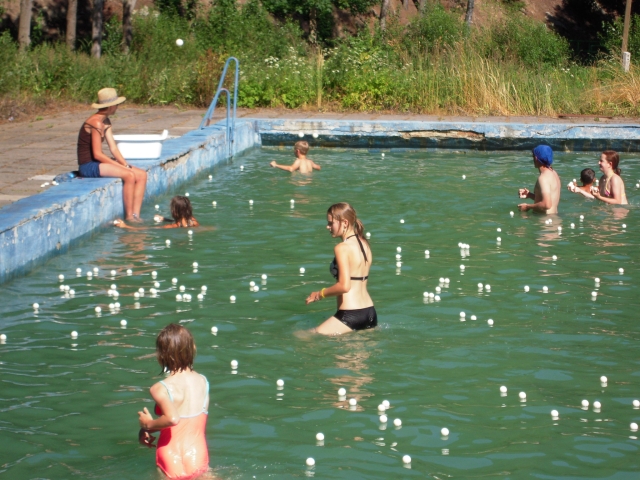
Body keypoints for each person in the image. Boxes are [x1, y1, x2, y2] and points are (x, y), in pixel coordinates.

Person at [137, 324, 210, 479]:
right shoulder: (203, 382)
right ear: (193, 348)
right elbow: (188, 422)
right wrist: (148, 429)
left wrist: (147, 425)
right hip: (197, 454)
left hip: (171, 457)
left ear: (162, 355)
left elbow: (173, 419)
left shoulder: (160, 388)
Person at [77, 88, 148, 222]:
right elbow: (97, 154)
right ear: (110, 106)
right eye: (117, 104)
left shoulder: (106, 121)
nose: (118, 107)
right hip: (89, 165)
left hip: (98, 163)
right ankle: (129, 217)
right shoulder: (96, 122)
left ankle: (136, 215)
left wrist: (124, 164)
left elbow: (113, 148)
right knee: (129, 175)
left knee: (142, 175)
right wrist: (123, 168)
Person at [305, 203, 376, 335]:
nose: (328, 227)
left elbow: (344, 286)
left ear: (344, 223)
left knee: (303, 336)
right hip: (370, 313)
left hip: (350, 314)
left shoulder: (342, 248)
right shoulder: (364, 243)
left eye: (331, 223)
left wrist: (319, 294)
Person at [518, 145, 561, 214]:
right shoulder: (554, 173)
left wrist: (527, 206)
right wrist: (530, 195)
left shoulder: (543, 178)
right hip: (554, 218)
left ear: (536, 158)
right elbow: (550, 199)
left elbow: (547, 205)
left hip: (544, 219)